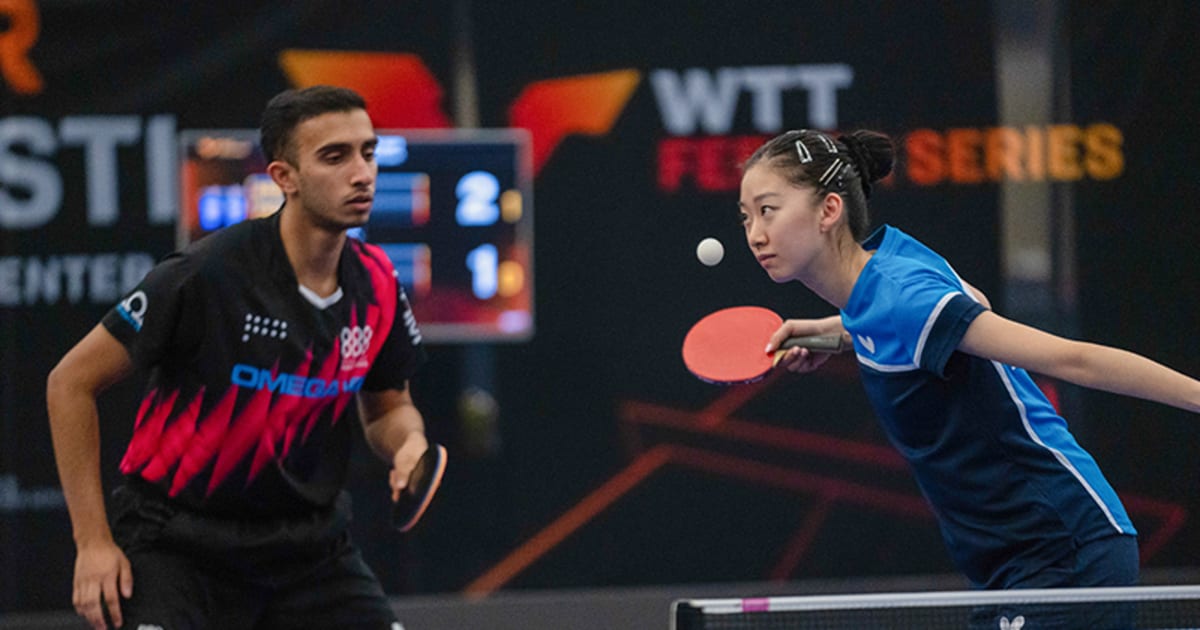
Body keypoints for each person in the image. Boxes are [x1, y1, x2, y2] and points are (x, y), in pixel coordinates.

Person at [738, 128, 1200, 592]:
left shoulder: (903, 299)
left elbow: (1073, 360)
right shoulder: (888, 268)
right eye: (746, 218)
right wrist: (839, 334)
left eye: (768, 211)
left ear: (829, 210)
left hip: (1061, 546)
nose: (756, 235)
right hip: (1012, 557)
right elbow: (954, 313)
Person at [46, 85, 428, 629]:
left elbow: (389, 410)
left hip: (309, 552)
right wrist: (92, 543)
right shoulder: (206, 275)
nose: (362, 173)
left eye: (369, 152)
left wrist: (409, 444)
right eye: (335, 156)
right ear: (284, 177)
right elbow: (68, 384)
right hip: (179, 546)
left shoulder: (380, 283)